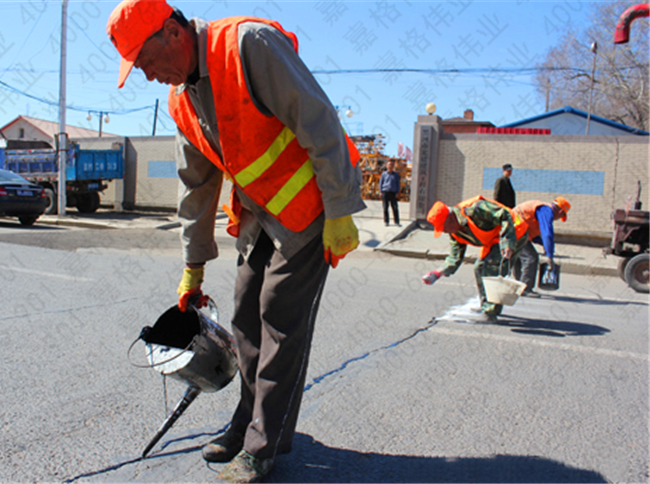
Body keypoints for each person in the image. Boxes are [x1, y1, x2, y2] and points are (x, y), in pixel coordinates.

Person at [107, 1, 365, 481]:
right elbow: (197, 186)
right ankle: (245, 422)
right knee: (245, 314)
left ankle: (263, 445)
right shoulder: (181, 100)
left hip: (310, 208)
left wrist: (341, 209)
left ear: (172, 33)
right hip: (260, 213)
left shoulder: (248, 44)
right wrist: (193, 267)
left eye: (145, 63)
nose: (146, 77)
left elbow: (319, 120)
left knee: (279, 317)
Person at [421, 195, 529, 320]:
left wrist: (507, 242)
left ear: (450, 218)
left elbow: (504, 215)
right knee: (479, 267)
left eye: (443, 227)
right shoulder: (455, 233)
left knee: (491, 267)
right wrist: (437, 273)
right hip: (494, 240)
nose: (444, 232)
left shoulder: (475, 209)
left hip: (514, 231)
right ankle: (486, 305)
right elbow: (455, 257)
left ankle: (490, 313)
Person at [513, 197, 571, 297]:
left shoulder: (542, 209)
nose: (557, 219)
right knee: (531, 257)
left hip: (514, 230)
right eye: (560, 216)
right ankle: (525, 289)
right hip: (515, 232)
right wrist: (549, 256)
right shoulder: (546, 211)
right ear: (561, 211)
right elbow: (547, 234)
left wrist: (544, 244)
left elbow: (534, 234)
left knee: (521, 257)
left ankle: (519, 286)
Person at [379, 160, 401, 226]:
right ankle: (386, 221)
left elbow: (398, 184)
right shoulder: (384, 174)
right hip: (385, 192)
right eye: (389, 165)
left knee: (395, 207)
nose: (390, 166)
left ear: (393, 166)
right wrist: (381, 191)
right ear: (387, 166)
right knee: (385, 207)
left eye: (391, 165)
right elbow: (381, 183)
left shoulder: (396, 175)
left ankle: (397, 221)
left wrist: (397, 192)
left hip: (393, 192)